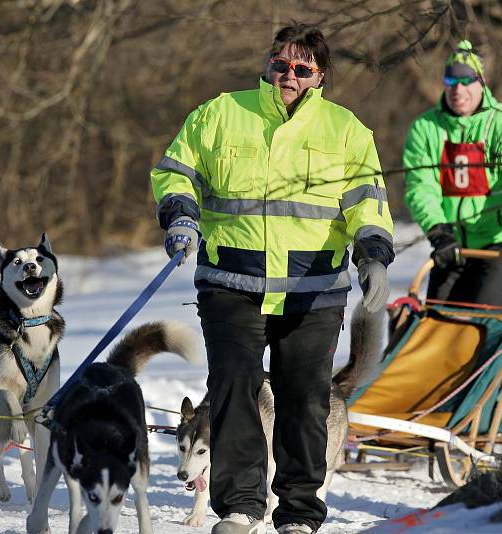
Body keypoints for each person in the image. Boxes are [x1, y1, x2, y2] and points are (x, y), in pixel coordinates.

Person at [150, 24, 394, 534]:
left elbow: (367, 201)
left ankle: (299, 515)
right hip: (230, 282)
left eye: (302, 69)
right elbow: (177, 172)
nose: (288, 75)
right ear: (268, 64)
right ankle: (240, 508)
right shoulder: (219, 113)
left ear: (319, 76)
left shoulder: (345, 129)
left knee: (305, 399)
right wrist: (179, 214)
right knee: (233, 390)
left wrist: (372, 254)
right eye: (281, 64)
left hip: (314, 290)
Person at [403, 40, 502, 306]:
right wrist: (438, 232)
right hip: (450, 244)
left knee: (480, 324)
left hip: (497, 244)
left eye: (466, 81)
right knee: (436, 326)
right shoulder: (425, 128)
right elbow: (420, 187)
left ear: (482, 82)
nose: (459, 90)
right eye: (451, 81)